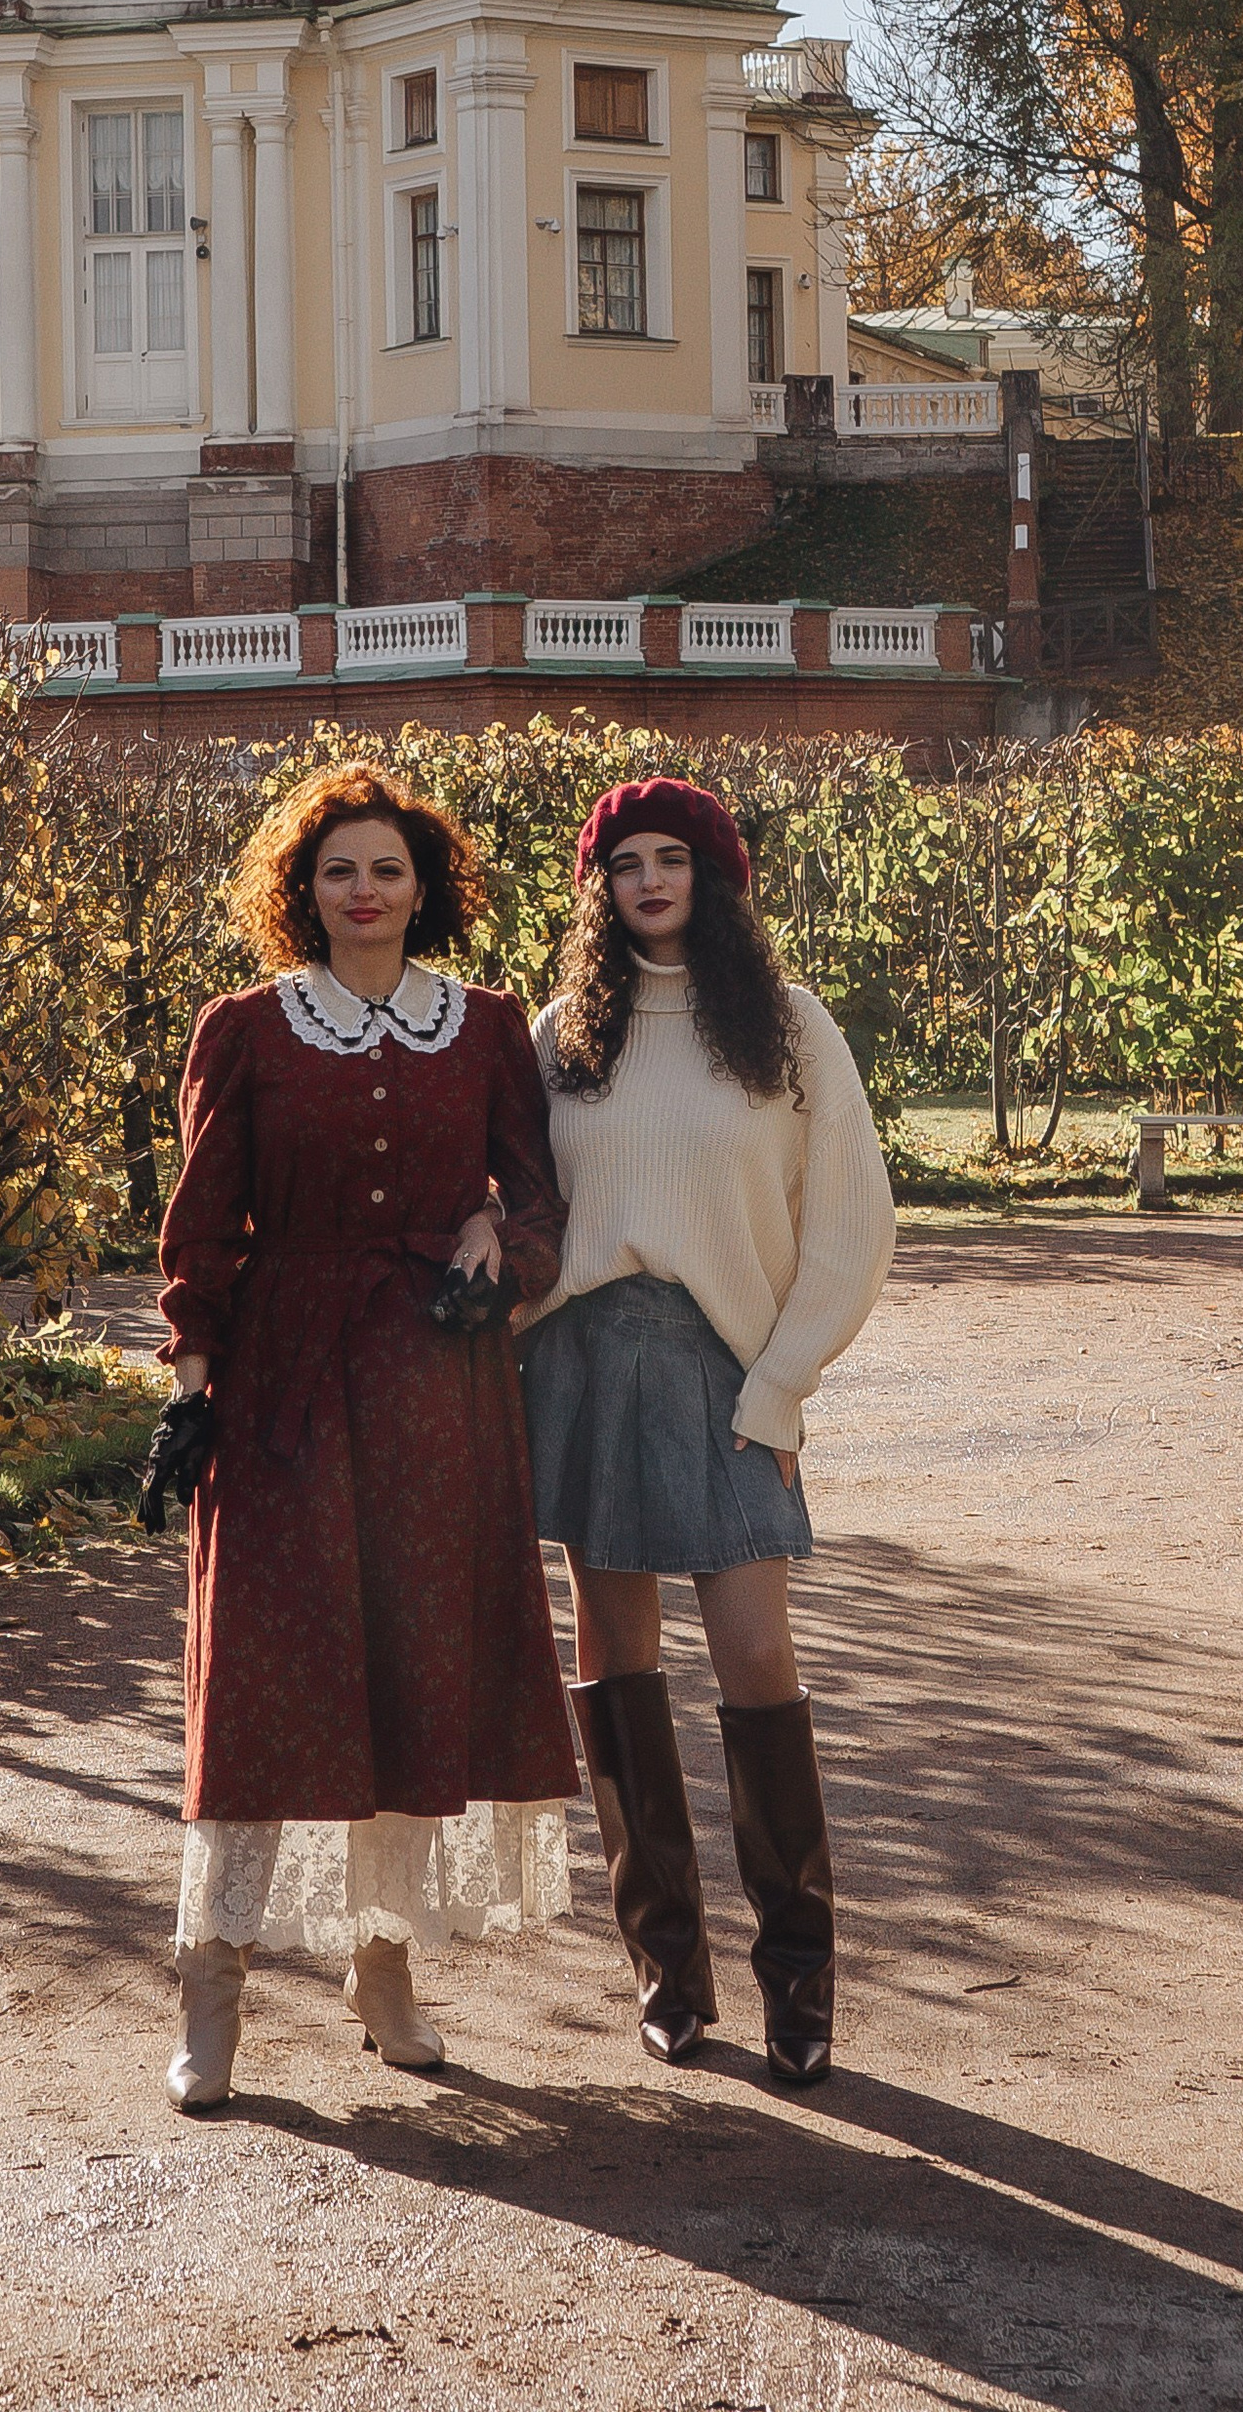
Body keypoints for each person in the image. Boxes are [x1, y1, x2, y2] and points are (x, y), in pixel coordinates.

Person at [144, 760, 578, 2113]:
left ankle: (382, 1971)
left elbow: (541, 1201)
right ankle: (210, 1987)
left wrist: (492, 1235)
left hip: (435, 1390)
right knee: (263, 1680)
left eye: (388, 869)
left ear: (423, 885)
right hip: (281, 1378)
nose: (367, 891)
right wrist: (192, 1386)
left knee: (411, 1667)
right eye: (341, 871)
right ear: (304, 891)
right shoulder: (248, 1029)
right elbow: (202, 1224)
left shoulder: (490, 1023)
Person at [521, 775, 896, 2083]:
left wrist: (782, 1385)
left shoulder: (787, 1030)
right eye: (622, 862)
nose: (647, 879)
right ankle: (666, 1969)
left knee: (752, 1656)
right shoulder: (563, 1034)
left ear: (715, 874)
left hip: (726, 1376)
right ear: (598, 888)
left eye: (671, 856)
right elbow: (517, 1215)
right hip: (580, 1369)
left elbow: (853, 1221)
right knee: (615, 1657)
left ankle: (800, 1984)